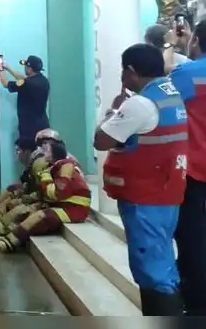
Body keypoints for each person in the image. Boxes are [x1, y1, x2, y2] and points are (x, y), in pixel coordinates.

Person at [94, 43, 188, 316]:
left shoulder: (140, 104)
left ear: (131, 72)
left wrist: (113, 111)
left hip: (145, 198)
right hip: (166, 192)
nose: (123, 78)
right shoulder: (170, 93)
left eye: (123, 72)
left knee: (153, 271)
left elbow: (101, 140)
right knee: (162, 265)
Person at [162, 19, 206, 316]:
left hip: (195, 172)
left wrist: (172, 45)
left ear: (196, 40)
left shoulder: (187, 74)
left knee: (193, 240)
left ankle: (197, 304)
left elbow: (158, 81)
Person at [0, 139, 91, 252]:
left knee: (40, 215)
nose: (43, 153)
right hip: (64, 204)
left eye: (47, 151)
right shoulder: (56, 167)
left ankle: (10, 241)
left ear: (54, 154)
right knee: (27, 209)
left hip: (75, 209)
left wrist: (45, 177)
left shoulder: (65, 167)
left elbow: (56, 193)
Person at [0, 55, 51, 140]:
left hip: (29, 129)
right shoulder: (44, 81)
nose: (25, 68)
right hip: (43, 125)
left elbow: (5, 83)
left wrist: (0, 69)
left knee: (28, 152)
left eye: (26, 66)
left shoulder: (27, 84)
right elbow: (24, 79)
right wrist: (8, 68)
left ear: (30, 69)